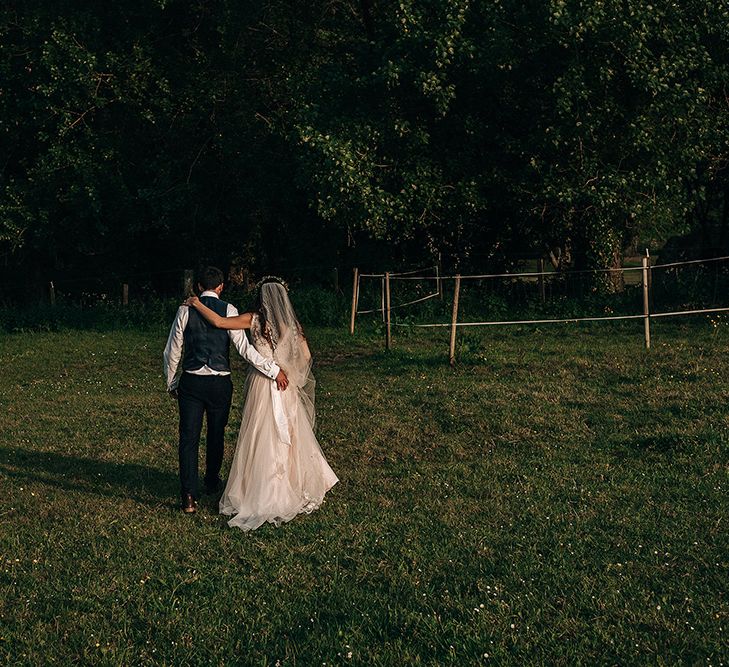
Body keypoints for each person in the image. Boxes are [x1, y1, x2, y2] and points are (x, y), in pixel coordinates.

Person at [184, 276, 338, 531]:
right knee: (287, 434)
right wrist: (288, 370)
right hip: (283, 382)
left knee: (260, 432)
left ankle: (260, 489)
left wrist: (197, 304)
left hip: (262, 382)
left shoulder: (253, 319)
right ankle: (290, 485)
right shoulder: (291, 324)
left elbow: (220, 322)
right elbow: (307, 356)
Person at [163, 266, 289, 514]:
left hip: (192, 380)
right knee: (216, 433)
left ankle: (188, 496)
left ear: (199, 287)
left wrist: (171, 381)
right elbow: (244, 349)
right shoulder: (230, 310)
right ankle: (211, 481)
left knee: (188, 438)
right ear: (220, 287)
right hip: (220, 383)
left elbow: (173, 349)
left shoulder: (185, 309)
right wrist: (273, 370)